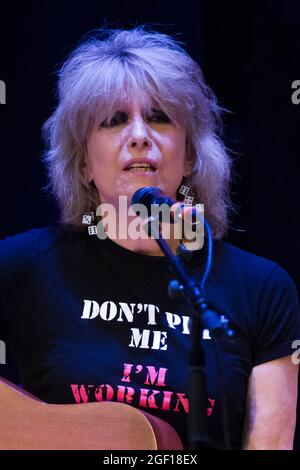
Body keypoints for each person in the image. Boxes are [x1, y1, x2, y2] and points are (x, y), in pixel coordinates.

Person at [0, 26, 299, 450]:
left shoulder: (262, 289)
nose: (140, 135)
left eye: (160, 117)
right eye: (114, 120)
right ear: (83, 162)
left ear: (191, 154)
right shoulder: (27, 265)